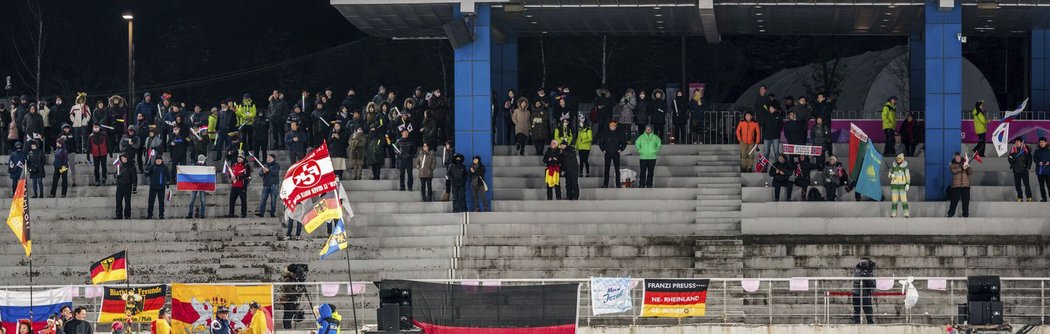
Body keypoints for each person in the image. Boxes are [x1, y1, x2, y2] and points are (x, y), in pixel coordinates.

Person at [599, 121, 626, 188]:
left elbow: (624, 143)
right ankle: (605, 184)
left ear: (615, 126)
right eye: (611, 125)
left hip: (616, 153)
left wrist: (621, 149)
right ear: (609, 126)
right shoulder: (605, 134)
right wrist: (603, 149)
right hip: (608, 153)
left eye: (614, 125)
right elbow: (601, 143)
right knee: (607, 170)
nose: (613, 127)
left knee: (617, 169)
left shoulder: (619, 134)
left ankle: (618, 184)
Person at [1008, 137, 1034, 202]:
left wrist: (1028, 167)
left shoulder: (1026, 149)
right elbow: (1009, 158)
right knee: (1017, 185)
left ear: (1021, 142)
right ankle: (1020, 197)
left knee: (1026, 184)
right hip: (1016, 170)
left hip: (1024, 170)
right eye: (1016, 142)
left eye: (1018, 141)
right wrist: (1012, 162)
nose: (1016, 143)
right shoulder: (1012, 149)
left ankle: (1029, 197)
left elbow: (1029, 159)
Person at [947, 152, 972, 217]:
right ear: (954, 158)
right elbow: (953, 171)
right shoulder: (952, 164)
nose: (958, 158)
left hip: (965, 185)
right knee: (954, 200)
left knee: (966, 200)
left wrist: (968, 167)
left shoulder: (965, 163)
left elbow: (970, 172)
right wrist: (962, 168)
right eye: (956, 157)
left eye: (959, 157)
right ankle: (950, 214)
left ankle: (965, 214)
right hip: (956, 185)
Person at [852, 257, 876, 324]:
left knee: (857, 312)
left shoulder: (856, 270)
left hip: (855, 294)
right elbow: (873, 285)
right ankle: (870, 326)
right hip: (863, 295)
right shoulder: (865, 273)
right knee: (868, 311)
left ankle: (857, 325)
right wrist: (871, 276)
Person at [889, 154, 911, 218]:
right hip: (894, 185)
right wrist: (891, 176)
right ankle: (893, 214)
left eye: (900, 158)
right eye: (897, 158)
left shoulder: (905, 168)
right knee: (894, 200)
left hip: (902, 186)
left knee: (904, 200)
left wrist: (907, 184)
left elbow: (908, 176)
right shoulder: (893, 167)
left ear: (902, 159)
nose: (898, 160)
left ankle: (906, 213)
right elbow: (889, 174)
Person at [114, 154, 135, 219]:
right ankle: (118, 215)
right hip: (119, 186)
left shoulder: (131, 167)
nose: (124, 160)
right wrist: (116, 176)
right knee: (118, 201)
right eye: (122, 159)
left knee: (127, 201)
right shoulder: (119, 166)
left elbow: (134, 178)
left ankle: (127, 215)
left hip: (127, 186)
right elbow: (115, 174)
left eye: (125, 158)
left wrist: (134, 187)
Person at [1035, 137, 1050, 202]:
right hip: (1040, 171)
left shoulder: (1049, 151)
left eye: (1043, 142)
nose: (1041, 143)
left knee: (1049, 185)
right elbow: (1035, 158)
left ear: (1046, 143)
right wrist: (1039, 162)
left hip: (1048, 171)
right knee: (1041, 186)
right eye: (1040, 142)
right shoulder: (1037, 151)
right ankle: (1044, 198)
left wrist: (1049, 162)